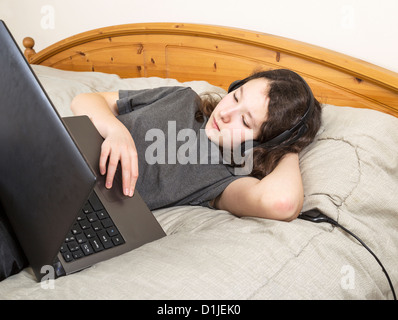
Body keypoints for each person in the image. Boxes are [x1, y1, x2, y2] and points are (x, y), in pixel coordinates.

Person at [70, 69, 322, 222]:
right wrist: (115, 130)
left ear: (265, 142)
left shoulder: (226, 178)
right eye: (236, 96)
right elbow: (85, 100)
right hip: (57, 150)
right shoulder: (182, 98)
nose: (226, 112)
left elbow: (281, 204)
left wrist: (290, 145)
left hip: (72, 203)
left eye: (245, 120)